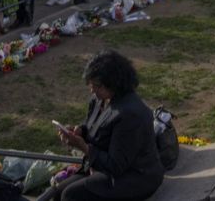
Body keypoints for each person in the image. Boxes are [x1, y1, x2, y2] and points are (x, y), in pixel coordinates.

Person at [51, 50, 164, 201]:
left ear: (113, 84)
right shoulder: (100, 99)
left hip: (134, 177)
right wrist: (80, 131)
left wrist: (83, 147)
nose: (92, 90)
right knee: (58, 193)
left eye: (97, 86)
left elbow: (116, 165)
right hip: (102, 167)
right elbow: (95, 127)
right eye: (91, 85)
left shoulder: (130, 114)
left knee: (71, 196)